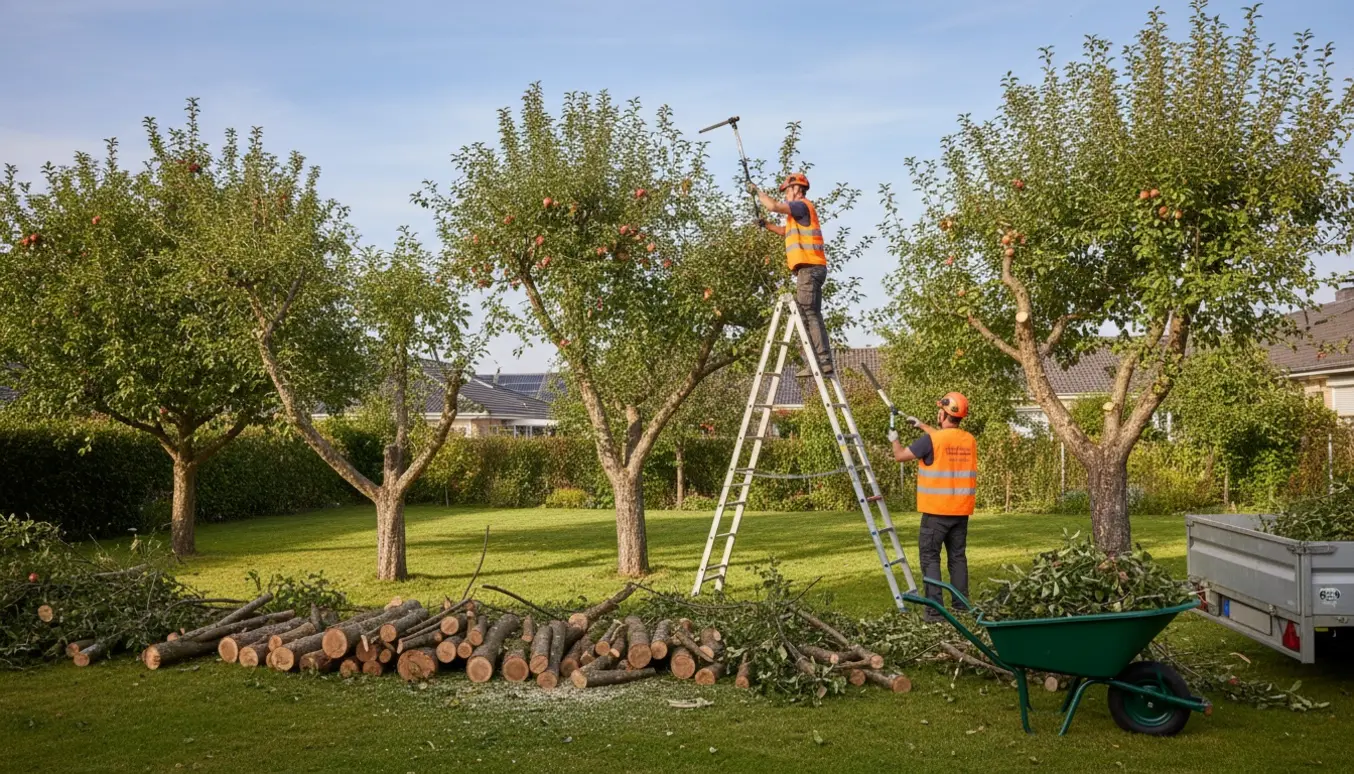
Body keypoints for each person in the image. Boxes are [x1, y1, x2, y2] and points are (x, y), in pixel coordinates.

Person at [888, 392, 977, 621]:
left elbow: (899, 456)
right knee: (957, 558)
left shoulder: (932, 441)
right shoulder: (968, 440)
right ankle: (961, 607)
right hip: (960, 512)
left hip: (936, 513)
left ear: (943, 413)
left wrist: (893, 438)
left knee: (930, 558)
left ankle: (935, 612)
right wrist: (922, 425)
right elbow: (945, 441)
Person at [751, 173, 833, 377]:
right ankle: (819, 362)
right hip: (811, 269)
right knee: (808, 313)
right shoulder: (797, 215)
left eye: (787, 191)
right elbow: (784, 231)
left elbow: (774, 206)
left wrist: (757, 191)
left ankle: (822, 362)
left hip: (809, 268)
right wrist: (766, 225)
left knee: (809, 313)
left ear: (796, 189)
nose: (786, 195)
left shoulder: (802, 205)